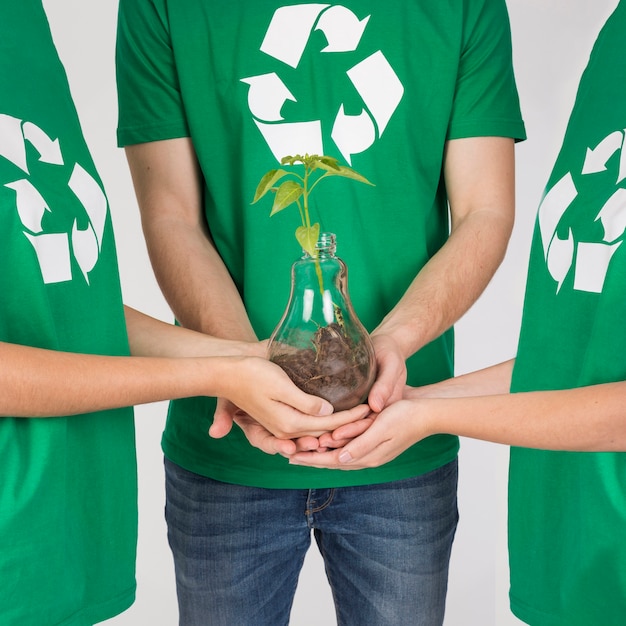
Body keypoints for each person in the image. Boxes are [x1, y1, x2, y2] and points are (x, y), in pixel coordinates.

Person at [115, 0, 525, 623]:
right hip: (228, 441)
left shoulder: (465, 8)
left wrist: (389, 345)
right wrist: (248, 370)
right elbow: (171, 216)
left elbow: (484, 212)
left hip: (399, 428)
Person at [0, 3, 365, 625]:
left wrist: (244, 358)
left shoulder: (21, 23)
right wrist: (214, 377)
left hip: (65, 526)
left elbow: (55, 303)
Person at [290, 2, 626, 624]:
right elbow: (579, 357)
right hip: (579, 544)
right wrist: (414, 403)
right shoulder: (617, 40)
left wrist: (428, 415)